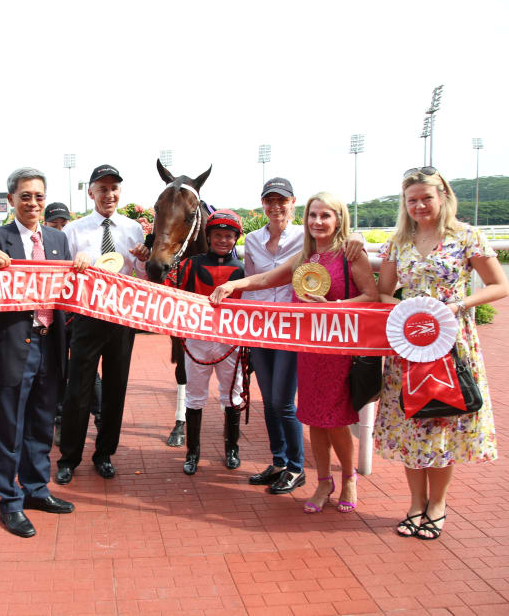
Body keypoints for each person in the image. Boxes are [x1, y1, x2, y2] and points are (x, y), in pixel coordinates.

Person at [211, 192, 377, 513]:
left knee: (337, 420)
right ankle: (323, 482)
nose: (317, 222)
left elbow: (371, 296)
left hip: (338, 350)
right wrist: (233, 286)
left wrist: (336, 308)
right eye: (313, 215)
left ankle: (349, 478)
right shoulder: (304, 257)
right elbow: (267, 278)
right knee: (313, 418)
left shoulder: (350, 254)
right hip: (308, 351)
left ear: (338, 219)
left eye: (325, 216)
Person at [374, 167, 507, 539]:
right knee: (412, 425)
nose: (419, 205)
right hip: (408, 347)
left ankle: (438, 504)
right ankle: (415, 503)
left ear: (443, 197)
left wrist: (459, 305)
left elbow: (499, 285)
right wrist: (404, 309)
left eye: (426, 198)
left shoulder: (466, 237)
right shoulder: (398, 241)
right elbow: (384, 292)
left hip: (451, 343)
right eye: (412, 199)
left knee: (442, 422)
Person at [0, 168, 83, 538]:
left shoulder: (57, 238)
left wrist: (80, 268)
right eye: (25, 196)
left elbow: (68, 285)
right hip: (13, 345)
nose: (33, 203)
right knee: (9, 428)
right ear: (11, 200)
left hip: (51, 344)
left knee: (40, 423)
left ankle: (37, 489)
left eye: (39, 196)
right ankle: (10, 501)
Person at [55, 164, 150, 484]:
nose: (109, 194)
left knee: (115, 389)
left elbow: (144, 277)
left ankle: (105, 454)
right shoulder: (74, 231)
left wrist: (143, 258)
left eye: (114, 188)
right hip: (87, 318)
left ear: (119, 192)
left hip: (122, 318)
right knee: (78, 390)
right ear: (91, 192)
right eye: (102, 188)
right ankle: (69, 457)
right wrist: (74, 267)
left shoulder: (133, 229)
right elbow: (60, 277)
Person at [167, 210, 247, 474]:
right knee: (195, 396)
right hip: (197, 341)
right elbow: (165, 286)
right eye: (218, 235)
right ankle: (192, 453)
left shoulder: (242, 270)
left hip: (229, 343)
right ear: (209, 237)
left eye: (228, 236)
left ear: (236, 238)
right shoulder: (189, 264)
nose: (223, 240)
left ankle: (232, 449)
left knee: (232, 396)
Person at [42, 201, 103, 446]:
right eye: (53, 223)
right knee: (58, 369)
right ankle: (59, 419)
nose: (58, 228)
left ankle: (100, 416)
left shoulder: (76, 245)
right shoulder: (39, 246)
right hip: (51, 320)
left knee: (87, 368)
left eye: (62, 223)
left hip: (77, 318)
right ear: (45, 223)